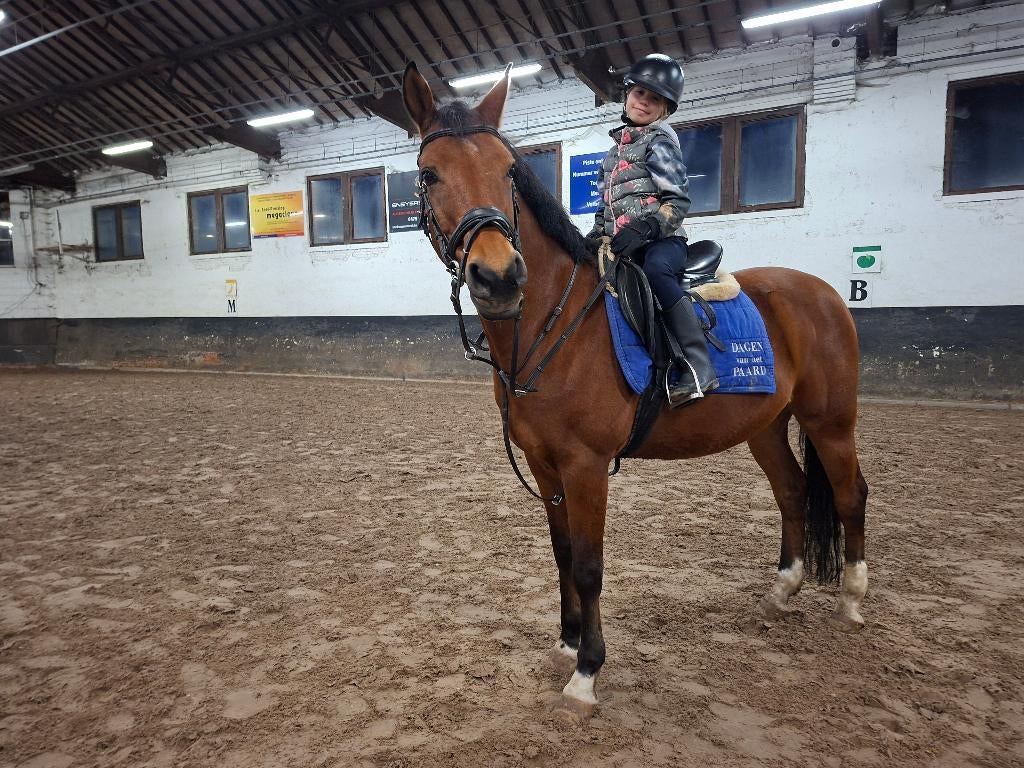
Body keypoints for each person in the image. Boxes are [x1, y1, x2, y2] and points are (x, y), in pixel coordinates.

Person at [585, 53, 719, 406]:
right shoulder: (610, 157)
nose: (644, 103)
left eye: (654, 99)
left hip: (662, 241)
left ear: (665, 110)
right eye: (640, 94)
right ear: (627, 95)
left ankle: (698, 366)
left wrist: (647, 228)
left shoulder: (660, 143)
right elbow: (605, 209)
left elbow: (678, 201)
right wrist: (594, 236)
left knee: (657, 273)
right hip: (623, 243)